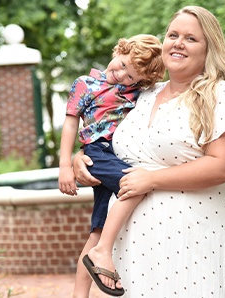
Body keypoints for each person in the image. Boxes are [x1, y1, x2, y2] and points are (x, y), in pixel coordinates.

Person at [72, 5, 225, 298]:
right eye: (173, 35)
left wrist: (152, 179)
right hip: (131, 251)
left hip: (195, 245)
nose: (178, 43)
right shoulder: (141, 95)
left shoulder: (222, 95)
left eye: (191, 38)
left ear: (209, 48)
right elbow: (104, 135)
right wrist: (80, 158)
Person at [58, 34, 165, 297]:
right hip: (98, 152)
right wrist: (64, 165)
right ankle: (103, 252)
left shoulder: (137, 91)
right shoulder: (85, 84)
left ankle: (80, 293)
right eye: (122, 64)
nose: (122, 76)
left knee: (98, 230)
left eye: (131, 77)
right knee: (136, 186)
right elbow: (71, 122)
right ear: (120, 49)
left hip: (116, 156)